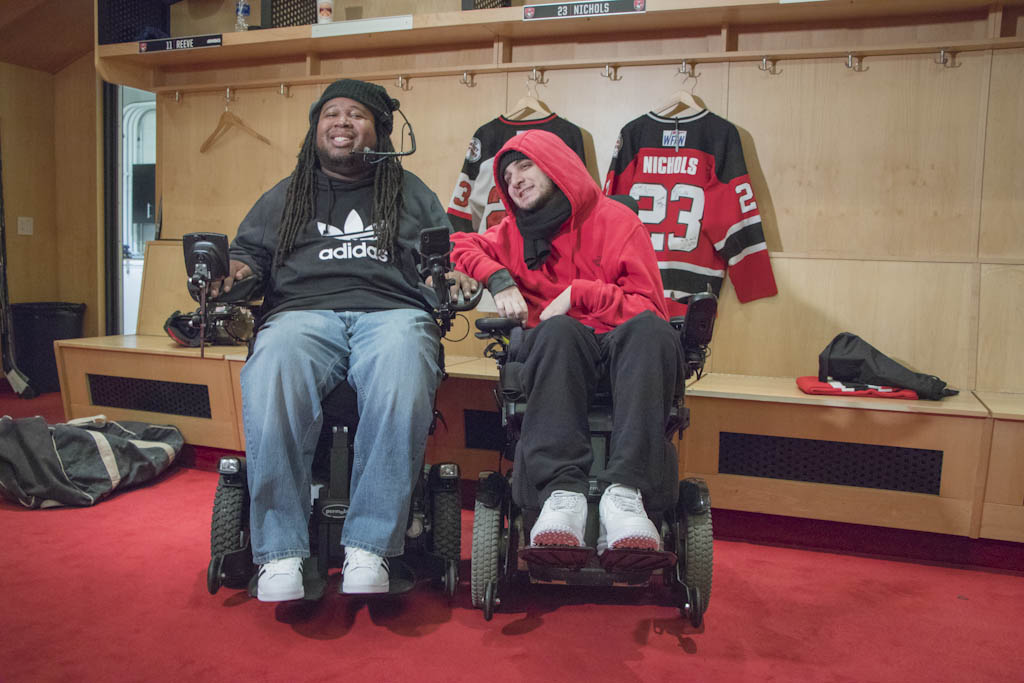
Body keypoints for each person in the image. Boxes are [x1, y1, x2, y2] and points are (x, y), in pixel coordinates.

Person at [210, 79, 476, 601]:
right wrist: (232, 272)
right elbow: (250, 258)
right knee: (275, 362)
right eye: (331, 113)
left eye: (356, 115)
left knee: (403, 360)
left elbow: (437, 264)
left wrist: (449, 280)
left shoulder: (410, 192)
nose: (341, 123)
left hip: (392, 312)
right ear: (315, 129)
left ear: (380, 130)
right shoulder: (285, 195)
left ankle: (370, 547)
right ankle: (281, 554)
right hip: (302, 313)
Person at [450, 129, 683, 554]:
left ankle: (626, 496)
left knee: (652, 332)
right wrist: (498, 278)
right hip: (560, 351)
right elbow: (458, 244)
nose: (515, 179)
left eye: (525, 166)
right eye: (507, 175)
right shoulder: (509, 234)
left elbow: (649, 306)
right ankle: (563, 497)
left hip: (621, 346)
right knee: (556, 331)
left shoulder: (617, 221)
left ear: (556, 167)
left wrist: (579, 294)